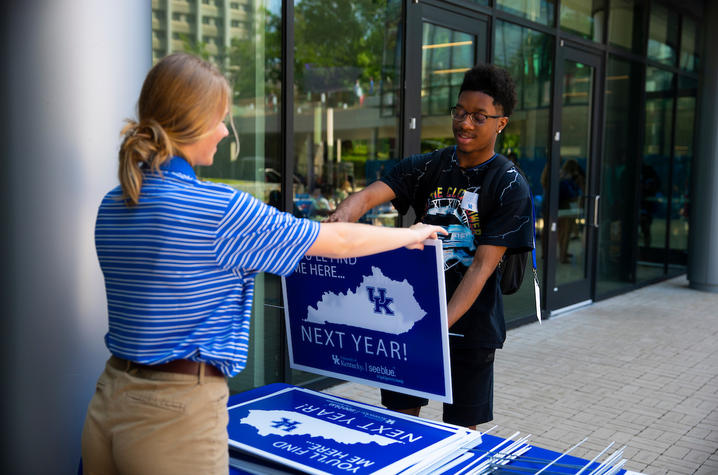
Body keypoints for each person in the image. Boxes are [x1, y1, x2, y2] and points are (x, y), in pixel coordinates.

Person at [80, 53, 445, 475]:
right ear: (193, 123)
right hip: (174, 413)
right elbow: (337, 241)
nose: (224, 131)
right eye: (221, 119)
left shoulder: (116, 202)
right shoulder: (217, 211)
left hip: (110, 396)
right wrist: (413, 234)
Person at [328, 63, 533, 429]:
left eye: (479, 116)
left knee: (459, 436)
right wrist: (342, 216)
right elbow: (372, 194)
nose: (465, 123)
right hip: (412, 316)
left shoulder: (508, 185)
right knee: (402, 427)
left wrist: (437, 326)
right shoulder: (429, 167)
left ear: (501, 122)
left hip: (471, 331)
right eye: (460, 112)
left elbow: (482, 268)